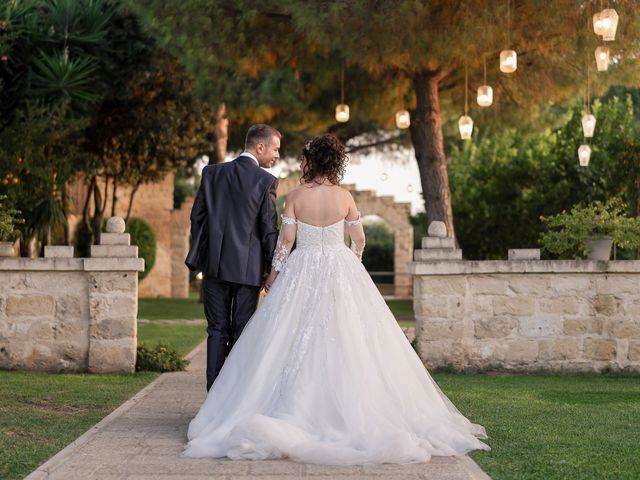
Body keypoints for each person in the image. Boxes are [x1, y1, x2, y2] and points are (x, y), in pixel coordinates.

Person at [184, 133, 489, 464]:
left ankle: (236, 400)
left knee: (283, 337)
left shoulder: (296, 197)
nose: (298, 163)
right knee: (347, 338)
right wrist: (349, 266)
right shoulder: (345, 197)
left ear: (312, 161)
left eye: (303, 159)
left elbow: (285, 243)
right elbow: (359, 239)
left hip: (302, 269)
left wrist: (272, 277)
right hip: (338, 268)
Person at [185, 124, 281, 391]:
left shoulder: (212, 173)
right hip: (248, 273)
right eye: (275, 149)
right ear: (259, 147)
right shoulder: (265, 181)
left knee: (216, 330)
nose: (276, 156)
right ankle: (233, 398)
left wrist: (205, 254)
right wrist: (273, 269)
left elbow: (197, 218)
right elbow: (268, 230)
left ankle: (213, 398)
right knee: (242, 334)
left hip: (214, 267)